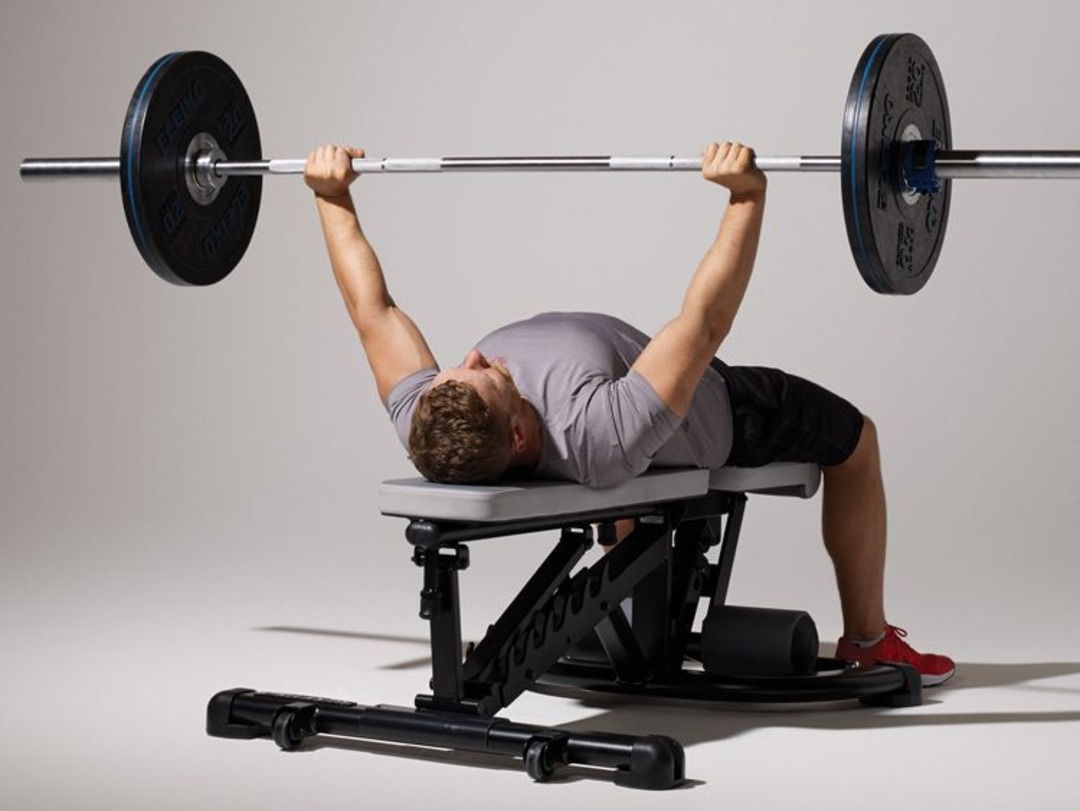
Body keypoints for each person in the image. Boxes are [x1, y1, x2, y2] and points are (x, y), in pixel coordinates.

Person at [304, 141, 955, 687]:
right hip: (730, 411)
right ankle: (869, 637)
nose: (475, 355)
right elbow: (703, 325)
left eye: (463, 364)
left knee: (613, 488)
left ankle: (627, 632)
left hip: (623, 448)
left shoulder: (429, 423)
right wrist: (746, 198)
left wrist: (331, 198)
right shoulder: (595, 431)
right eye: (483, 373)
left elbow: (374, 312)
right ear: (522, 432)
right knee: (858, 439)